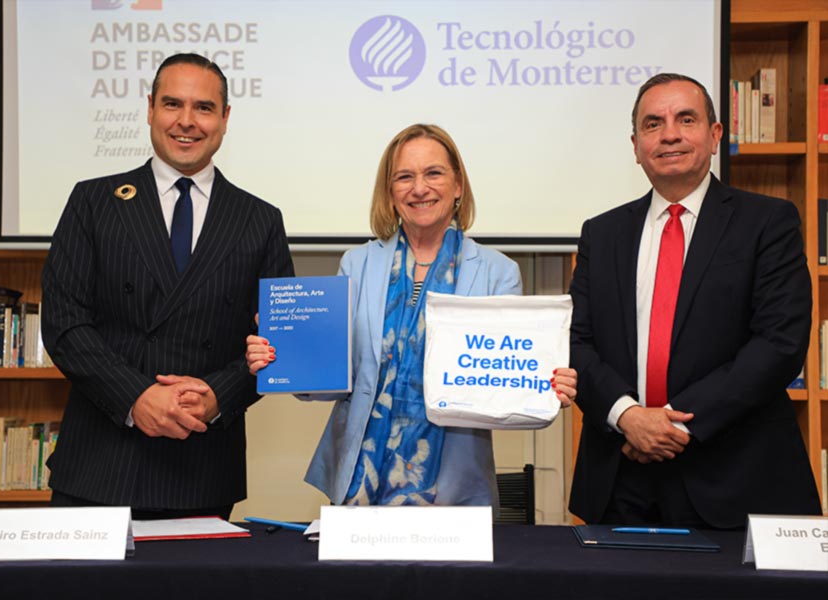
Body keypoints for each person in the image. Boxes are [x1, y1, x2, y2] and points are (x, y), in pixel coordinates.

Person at [246, 124, 577, 507]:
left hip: (452, 484)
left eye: (433, 173)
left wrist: (543, 386)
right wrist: (285, 356)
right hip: (361, 480)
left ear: (458, 186)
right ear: (390, 192)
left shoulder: (497, 272)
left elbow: (502, 384)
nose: (419, 188)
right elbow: (337, 378)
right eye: (404, 177)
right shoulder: (357, 264)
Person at [41, 53, 293, 519]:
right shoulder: (93, 202)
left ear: (225, 118)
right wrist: (137, 398)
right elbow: (64, 324)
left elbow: (277, 341)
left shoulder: (259, 220)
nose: (187, 121)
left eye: (204, 107)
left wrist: (218, 395)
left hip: (200, 465)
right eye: (173, 104)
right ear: (150, 108)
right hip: (99, 462)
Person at [569, 73, 821, 529]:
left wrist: (670, 426)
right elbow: (576, 342)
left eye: (686, 119)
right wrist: (627, 417)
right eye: (653, 124)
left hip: (734, 475)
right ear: (635, 144)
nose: (669, 134)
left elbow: (778, 344)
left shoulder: (768, 223)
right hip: (621, 478)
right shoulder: (601, 234)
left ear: (715, 134)